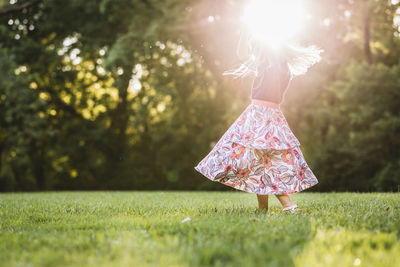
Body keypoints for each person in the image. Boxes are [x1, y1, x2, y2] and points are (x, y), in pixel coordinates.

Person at [194, 31, 323, 213]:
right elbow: (247, 55)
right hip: (273, 115)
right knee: (261, 162)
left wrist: (244, 35)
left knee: (261, 162)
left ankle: (287, 204)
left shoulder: (268, 65)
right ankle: (264, 208)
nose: (254, 53)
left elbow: (243, 54)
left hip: (260, 115)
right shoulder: (282, 67)